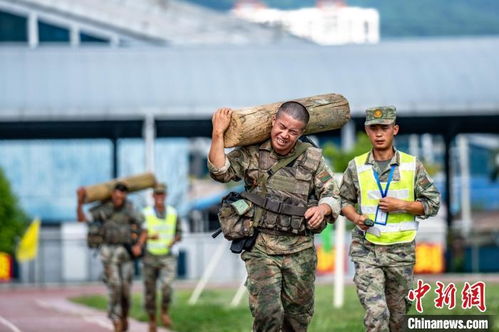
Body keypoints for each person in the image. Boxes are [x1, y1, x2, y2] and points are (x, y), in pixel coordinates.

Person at [208, 101, 340, 332]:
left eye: (293, 131)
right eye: (282, 127)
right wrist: (218, 133)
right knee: (267, 313)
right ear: (273, 122)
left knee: (297, 318)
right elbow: (220, 171)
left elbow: (332, 194)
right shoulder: (252, 153)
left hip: (300, 250)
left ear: (301, 133)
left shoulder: (312, 157)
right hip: (261, 247)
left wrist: (323, 209)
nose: (284, 135)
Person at [340, 106, 440, 332]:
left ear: (394, 129)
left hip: (400, 253)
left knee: (398, 319)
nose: (378, 133)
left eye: (384, 128)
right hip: (366, 249)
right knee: (377, 313)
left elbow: (433, 204)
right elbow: (342, 200)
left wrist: (402, 205)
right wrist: (355, 217)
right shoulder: (355, 167)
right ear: (367, 130)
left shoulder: (411, 165)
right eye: (373, 128)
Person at [77, 182, 146, 332]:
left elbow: (144, 229)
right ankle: (115, 319)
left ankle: (124, 316)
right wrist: (79, 202)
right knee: (115, 286)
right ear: (112, 195)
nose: (118, 197)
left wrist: (138, 245)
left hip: (126, 253)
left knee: (126, 291)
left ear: (125, 196)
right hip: (108, 252)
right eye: (116, 194)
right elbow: (82, 219)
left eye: (122, 194)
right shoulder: (104, 210)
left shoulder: (130, 210)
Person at [142, 183, 182, 332]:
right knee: (150, 291)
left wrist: (175, 239)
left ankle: (164, 311)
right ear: (153, 196)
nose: (159, 197)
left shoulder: (173, 213)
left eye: (162, 195)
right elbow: (137, 234)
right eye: (157, 195)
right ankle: (152, 320)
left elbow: (179, 232)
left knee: (167, 287)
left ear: (165, 196)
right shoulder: (145, 213)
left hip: (167, 256)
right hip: (150, 256)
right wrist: (147, 237)